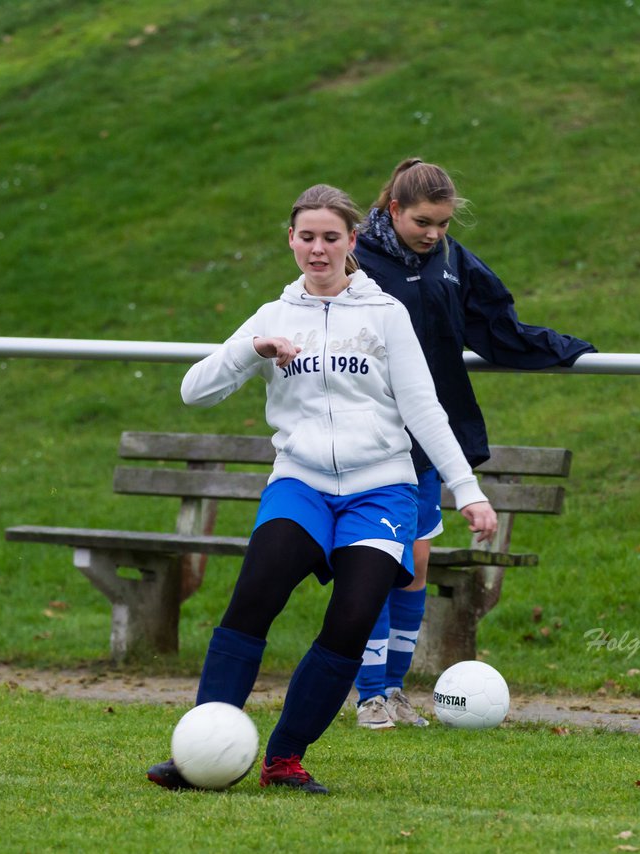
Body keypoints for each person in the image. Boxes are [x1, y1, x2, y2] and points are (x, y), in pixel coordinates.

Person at [146, 184, 498, 794]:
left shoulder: (385, 315)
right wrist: (249, 351)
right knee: (254, 596)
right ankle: (200, 750)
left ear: (351, 241)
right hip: (300, 485)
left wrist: (468, 490)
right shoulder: (273, 317)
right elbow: (193, 390)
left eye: (330, 237)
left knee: (353, 620)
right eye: (306, 236)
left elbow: (425, 410)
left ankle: (283, 760)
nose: (317, 248)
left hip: (380, 492)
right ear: (291, 240)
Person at [350, 158, 596, 729]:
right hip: (371, 439)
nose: (434, 233)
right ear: (393, 210)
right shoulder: (355, 259)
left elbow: (497, 326)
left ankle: (394, 691)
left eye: (442, 223)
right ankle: (366, 696)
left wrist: (566, 348)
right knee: (373, 567)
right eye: (422, 222)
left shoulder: (452, 260)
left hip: (429, 440)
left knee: (413, 564)